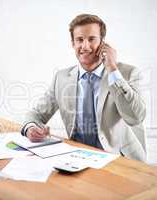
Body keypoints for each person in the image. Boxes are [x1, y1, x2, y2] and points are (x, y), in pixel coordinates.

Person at [21, 14, 147, 161]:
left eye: (92, 39)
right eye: (79, 40)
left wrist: (112, 69)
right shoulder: (61, 78)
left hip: (120, 158)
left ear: (103, 43)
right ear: (73, 44)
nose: (85, 46)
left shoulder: (127, 73)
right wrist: (30, 128)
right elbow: (36, 114)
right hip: (78, 157)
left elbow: (136, 117)